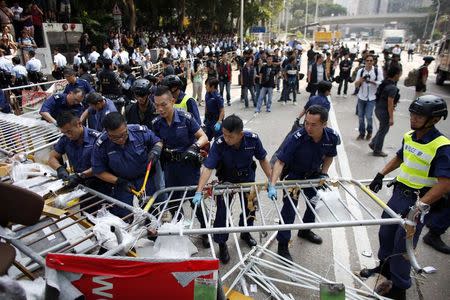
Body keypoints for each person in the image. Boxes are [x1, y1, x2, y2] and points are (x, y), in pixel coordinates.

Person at [364, 95, 450, 300]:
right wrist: (380, 174)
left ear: (434, 119)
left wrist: (419, 207)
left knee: (402, 245)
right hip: (398, 194)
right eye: (413, 114)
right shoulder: (410, 136)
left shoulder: (441, 146)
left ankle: (399, 288)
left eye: (420, 116)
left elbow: (445, 183)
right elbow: (400, 157)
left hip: (417, 201)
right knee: (385, 233)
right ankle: (385, 269)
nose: (413, 118)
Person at [193, 114, 272, 263]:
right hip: (226, 180)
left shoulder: (252, 139)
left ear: (240, 134)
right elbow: (208, 168)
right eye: (224, 134)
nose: (226, 139)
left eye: (230, 136)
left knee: (250, 208)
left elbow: (263, 159)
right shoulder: (219, 143)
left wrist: (272, 182)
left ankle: (245, 232)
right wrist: (199, 191)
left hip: (247, 179)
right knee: (222, 212)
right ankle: (222, 243)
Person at [268, 105, 340, 261]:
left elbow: (329, 156)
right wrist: (272, 185)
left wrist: (324, 173)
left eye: (313, 124)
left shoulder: (331, 137)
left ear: (324, 124)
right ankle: (283, 244)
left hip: (314, 175)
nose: (308, 127)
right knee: (289, 210)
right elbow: (280, 162)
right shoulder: (296, 138)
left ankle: (305, 230)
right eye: (306, 122)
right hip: (294, 176)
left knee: (313, 203)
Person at [152, 85, 210, 247]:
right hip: (170, 168)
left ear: (173, 100)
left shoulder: (186, 118)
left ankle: (205, 231)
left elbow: (203, 137)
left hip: (188, 167)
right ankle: (179, 230)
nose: (160, 109)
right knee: (173, 202)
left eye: (164, 104)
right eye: (156, 105)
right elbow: (157, 141)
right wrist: (157, 148)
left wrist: (194, 147)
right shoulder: (156, 123)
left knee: (195, 201)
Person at [91, 112, 163, 217]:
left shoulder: (139, 132)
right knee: (123, 214)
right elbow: (98, 171)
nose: (120, 140)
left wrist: (156, 150)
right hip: (122, 182)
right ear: (106, 132)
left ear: (126, 125)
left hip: (145, 178)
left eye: (123, 134)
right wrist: (119, 181)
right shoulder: (101, 144)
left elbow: (158, 141)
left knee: (151, 211)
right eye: (114, 137)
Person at [48, 111, 108, 198]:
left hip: (101, 183)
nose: (68, 135)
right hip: (79, 184)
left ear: (79, 124)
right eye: (64, 133)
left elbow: (102, 165)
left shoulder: (96, 139)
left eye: (69, 131)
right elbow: (52, 157)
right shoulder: (65, 139)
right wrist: (60, 169)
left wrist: (81, 175)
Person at [369, 65, 401, 157]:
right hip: (384, 112)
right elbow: (390, 104)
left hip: (378, 109)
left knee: (382, 129)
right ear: (396, 75)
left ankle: (373, 143)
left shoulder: (385, 83)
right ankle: (377, 150)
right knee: (383, 131)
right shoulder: (392, 87)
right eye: (399, 74)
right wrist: (391, 118)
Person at [354, 54, 383, 141]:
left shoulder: (377, 71)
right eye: (368, 60)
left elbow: (381, 82)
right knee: (360, 117)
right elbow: (356, 84)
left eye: (371, 60)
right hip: (361, 97)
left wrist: (372, 82)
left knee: (369, 116)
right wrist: (361, 80)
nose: (369, 62)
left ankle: (369, 131)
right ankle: (361, 133)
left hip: (372, 98)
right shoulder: (361, 71)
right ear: (365, 61)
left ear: (373, 61)